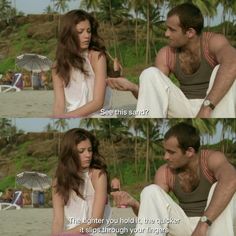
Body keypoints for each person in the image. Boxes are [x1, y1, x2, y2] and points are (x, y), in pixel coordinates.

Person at [107, 3, 236, 118]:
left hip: (214, 108)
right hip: (184, 107)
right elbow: (154, 94)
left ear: (190, 32)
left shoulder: (213, 42)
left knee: (227, 67)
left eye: (172, 30)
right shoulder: (166, 54)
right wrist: (133, 87)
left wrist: (206, 107)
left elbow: (233, 62)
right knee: (150, 73)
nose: (166, 34)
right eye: (167, 28)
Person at [112, 122, 236, 236]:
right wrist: (134, 204)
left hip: (212, 223)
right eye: (165, 151)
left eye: (171, 152)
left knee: (224, 185)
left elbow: (232, 179)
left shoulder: (211, 159)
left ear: (189, 152)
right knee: (151, 191)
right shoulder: (165, 172)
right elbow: (153, 215)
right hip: (184, 224)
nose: (165, 157)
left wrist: (203, 223)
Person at [51, 128, 114, 236]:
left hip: (98, 231)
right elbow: (57, 221)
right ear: (70, 153)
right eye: (81, 151)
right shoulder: (59, 181)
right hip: (72, 231)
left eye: (90, 150)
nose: (88, 155)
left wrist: (65, 234)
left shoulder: (98, 175)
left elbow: (96, 221)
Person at [52, 10, 113, 118]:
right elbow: (59, 104)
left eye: (88, 31)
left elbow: (98, 102)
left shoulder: (97, 57)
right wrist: (58, 118)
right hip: (72, 114)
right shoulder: (58, 65)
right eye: (80, 32)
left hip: (98, 115)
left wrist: (67, 116)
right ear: (69, 34)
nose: (87, 36)